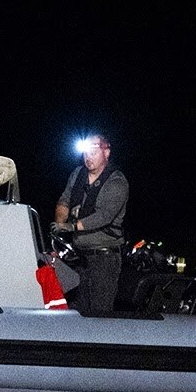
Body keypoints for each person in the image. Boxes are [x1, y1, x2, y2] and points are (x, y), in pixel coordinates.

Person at [52, 133, 129, 314]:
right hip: (79, 257)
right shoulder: (77, 174)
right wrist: (58, 230)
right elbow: (64, 201)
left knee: (99, 312)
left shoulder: (117, 181)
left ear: (106, 152)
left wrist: (72, 226)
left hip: (104, 258)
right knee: (77, 310)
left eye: (94, 151)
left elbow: (105, 215)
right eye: (86, 152)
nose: (88, 157)